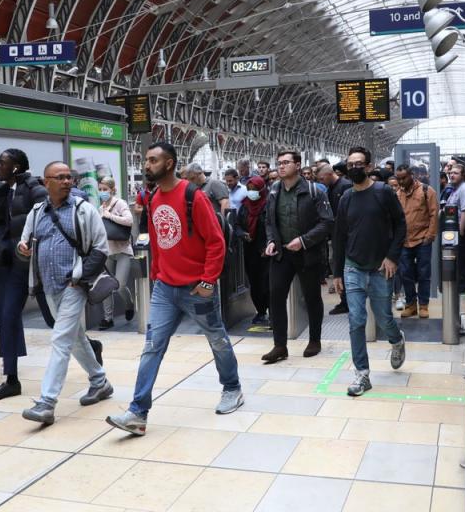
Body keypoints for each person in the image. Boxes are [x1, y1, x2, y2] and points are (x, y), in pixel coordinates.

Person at [107, 142, 243, 437]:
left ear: (169, 164)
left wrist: (208, 281)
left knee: (217, 339)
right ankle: (137, 412)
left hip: (197, 288)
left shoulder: (193, 195)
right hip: (165, 288)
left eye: (153, 160)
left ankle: (232, 387)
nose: (146, 165)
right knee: (152, 347)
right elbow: (156, 240)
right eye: (146, 160)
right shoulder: (154, 197)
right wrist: (156, 274)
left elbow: (216, 241)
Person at [18, 161, 112, 424]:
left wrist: (78, 277)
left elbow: (100, 248)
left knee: (60, 340)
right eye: (59, 177)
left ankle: (47, 402)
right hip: (48, 286)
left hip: (74, 285)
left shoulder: (84, 210)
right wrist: (23, 248)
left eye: (69, 177)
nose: (67, 181)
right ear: (45, 181)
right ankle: (100, 381)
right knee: (75, 337)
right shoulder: (36, 212)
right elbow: (24, 243)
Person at [334, 146, 407, 397]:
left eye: (359, 164)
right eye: (350, 164)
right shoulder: (345, 198)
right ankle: (361, 374)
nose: (354, 168)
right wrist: (337, 273)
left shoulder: (383, 192)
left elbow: (400, 224)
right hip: (353, 266)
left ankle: (396, 340)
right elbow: (340, 236)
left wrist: (392, 257)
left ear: (368, 166)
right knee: (356, 320)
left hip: (380, 267)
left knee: (384, 317)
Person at [0, 149, 44, 401]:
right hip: (15, 267)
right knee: (8, 318)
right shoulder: (4, 191)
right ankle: (11, 379)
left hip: (38, 268)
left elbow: (48, 213)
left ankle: (91, 348)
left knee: (56, 321)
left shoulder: (33, 188)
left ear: (16, 167)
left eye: (2, 163)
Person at [262, 150, 334, 362]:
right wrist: (271, 241)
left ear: (298, 165)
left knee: (311, 297)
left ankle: (314, 340)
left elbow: (327, 222)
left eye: (286, 163)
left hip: (307, 254)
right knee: (275, 297)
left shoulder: (314, 191)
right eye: (279, 163)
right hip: (281, 254)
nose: (281, 166)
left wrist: (303, 241)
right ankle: (279, 345)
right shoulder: (274, 190)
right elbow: (269, 221)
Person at [395, 165, 439, 319]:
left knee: (423, 274)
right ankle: (411, 305)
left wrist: (430, 235)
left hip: (422, 239)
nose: (400, 181)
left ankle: (424, 305)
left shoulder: (427, 191)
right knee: (406, 274)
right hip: (404, 241)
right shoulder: (398, 194)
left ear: (412, 175)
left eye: (403, 178)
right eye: (398, 178)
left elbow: (434, 214)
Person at [98, 177, 135, 330]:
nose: (102, 192)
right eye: (100, 189)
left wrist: (110, 216)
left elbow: (129, 220)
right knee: (105, 286)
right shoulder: (100, 208)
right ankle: (108, 318)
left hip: (122, 250)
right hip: (107, 251)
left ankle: (129, 304)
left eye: (105, 189)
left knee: (120, 285)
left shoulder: (120, 203)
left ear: (112, 190)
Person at [234, 176, 270, 325]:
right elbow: (236, 225)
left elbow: (273, 226)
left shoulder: (269, 205)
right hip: (250, 250)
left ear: (261, 190)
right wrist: (242, 234)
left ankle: (273, 312)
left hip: (267, 251)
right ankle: (260, 311)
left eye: (254, 190)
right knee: (254, 283)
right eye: (249, 190)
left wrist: (268, 244)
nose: (251, 193)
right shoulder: (245, 206)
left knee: (267, 283)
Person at [318, 163, 353, 315]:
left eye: (321, 178)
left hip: (346, 236)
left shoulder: (345, 186)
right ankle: (344, 301)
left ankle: (348, 302)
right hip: (336, 234)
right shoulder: (332, 188)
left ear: (328, 174)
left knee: (344, 268)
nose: (320, 182)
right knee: (337, 266)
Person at [447, 165, 465, 303]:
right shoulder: (456, 188)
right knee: (459, 260)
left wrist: (461, 231)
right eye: (451, 172)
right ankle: (459, 286)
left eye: (456, 173)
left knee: (464, 260)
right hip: (456, 229)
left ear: (463, 175)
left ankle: (463, 289)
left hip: (464, 228)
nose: (452, 175)